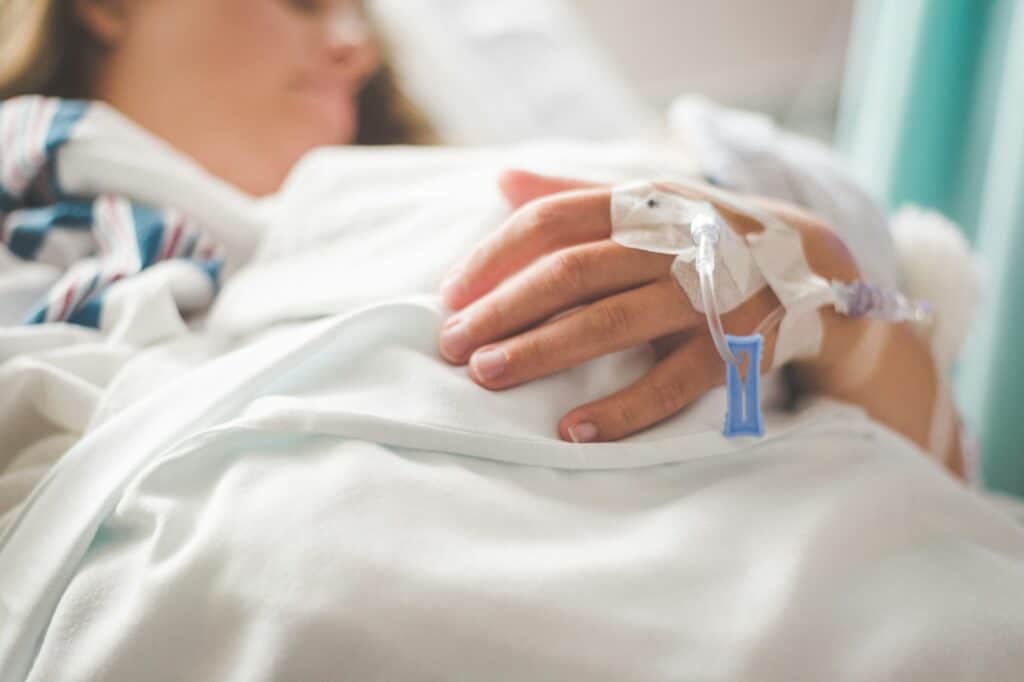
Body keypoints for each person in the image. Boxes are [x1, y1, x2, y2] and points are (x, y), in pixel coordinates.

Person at [0, 0, 965, 475]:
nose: (356, 41)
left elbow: (952, 492)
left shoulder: (560, 182)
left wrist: (837, 299)